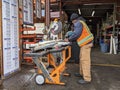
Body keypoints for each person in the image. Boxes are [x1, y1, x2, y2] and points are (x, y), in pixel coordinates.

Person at [64, 13, 94, 84]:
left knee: (85, 61)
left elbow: (77, 34)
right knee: (81, 59)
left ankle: (87, 78)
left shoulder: (78, 23)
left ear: (74, 20)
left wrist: (68, 39)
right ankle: (81, 73)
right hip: (85, 44)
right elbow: (76, 33)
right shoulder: (81, 22)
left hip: (86, 44)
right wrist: (71, 34)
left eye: (72, 21)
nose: (72, 23)